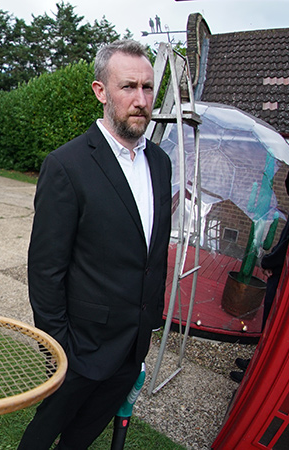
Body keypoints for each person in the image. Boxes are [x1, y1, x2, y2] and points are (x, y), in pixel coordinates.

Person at [19, 39, 172, 449]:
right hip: (79, 347)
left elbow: (152, 251)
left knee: (83, 436)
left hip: (132, 342)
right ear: (100, 91)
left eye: (147, 87)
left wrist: (149, 321)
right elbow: (46, 268)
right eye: (128, 87)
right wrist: (59, 349)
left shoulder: (160, 162)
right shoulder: (66, 166)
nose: (140, 100)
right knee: (43, 433)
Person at [231, 163, 289, 382]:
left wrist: (268, 261)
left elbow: (288, 243)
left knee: (274, 325)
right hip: (282, 272)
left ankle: (258, 374)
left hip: (283, 275)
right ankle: (257, 362)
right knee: (269, 325)